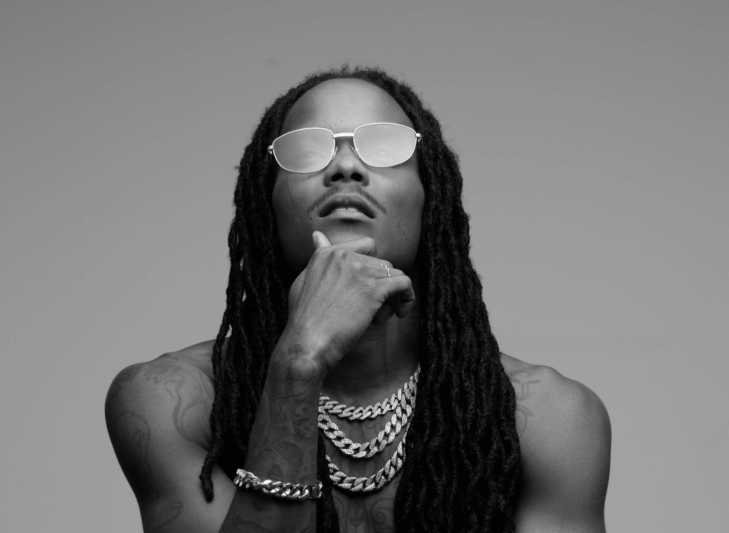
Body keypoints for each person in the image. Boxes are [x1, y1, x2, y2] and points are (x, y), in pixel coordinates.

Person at [105, 65, 611, 533]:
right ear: (266, 201)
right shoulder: (172, 400)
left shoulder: (549, 417)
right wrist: (300, 363)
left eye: (384, 146)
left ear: (431, 196)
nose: (345, 166)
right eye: (308, 150)